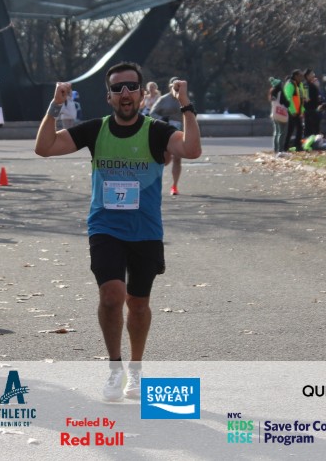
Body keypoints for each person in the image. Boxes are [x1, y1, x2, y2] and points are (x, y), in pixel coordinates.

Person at [34, 62, 201, 402]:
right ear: (108, 96)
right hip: (105, 227)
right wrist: (56, 105)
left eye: (131, 87)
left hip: (145, 231)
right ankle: (114, 368)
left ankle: (135, 370)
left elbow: (192, 150)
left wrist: (185, 103)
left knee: (138, 304)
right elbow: (45, 147)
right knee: (111, 297)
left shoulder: (155, 131)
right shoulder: (95, 130)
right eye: (117, 88)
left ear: (141, 95)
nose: (125, 93)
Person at [149, 77, 187, 195]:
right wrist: (162, 119)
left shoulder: (184, 99)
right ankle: (154, 182)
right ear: (170, 87)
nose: (176, 89)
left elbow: (190, 114)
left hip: (179, 132)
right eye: (174, 87)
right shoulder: (163, 99)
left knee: (177, 159)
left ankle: (174, 186)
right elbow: (152, 113)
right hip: (165, 132)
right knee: (164, 160)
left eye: (178, 87)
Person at [283, 69, 305, 151]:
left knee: (298, 128)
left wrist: (301, 111)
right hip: (292, 111)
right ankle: (286, 146)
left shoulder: (299, 84)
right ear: (295, 76)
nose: (302, 77)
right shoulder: (290, 84)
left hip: (297, 111)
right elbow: (288, 98)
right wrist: (292, 110)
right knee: (291, 129)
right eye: (300, 76)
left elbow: (301, 98)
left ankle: (296, 146)